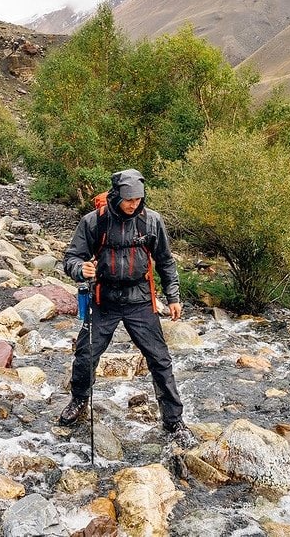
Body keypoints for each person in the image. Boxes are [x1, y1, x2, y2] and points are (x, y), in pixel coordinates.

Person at [60, 168, 198, 448]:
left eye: (138, 199)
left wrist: (173, 296)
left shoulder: (152, 222)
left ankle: (174, 421)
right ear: (116, 195)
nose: (134, 204)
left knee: (159, 360)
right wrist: (80, 269)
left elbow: (166, 262)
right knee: (86, 355)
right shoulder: (94, 222)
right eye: (128, 200)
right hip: (103, 299)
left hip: (140, 300)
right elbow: (71, 258)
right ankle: (78, 400)